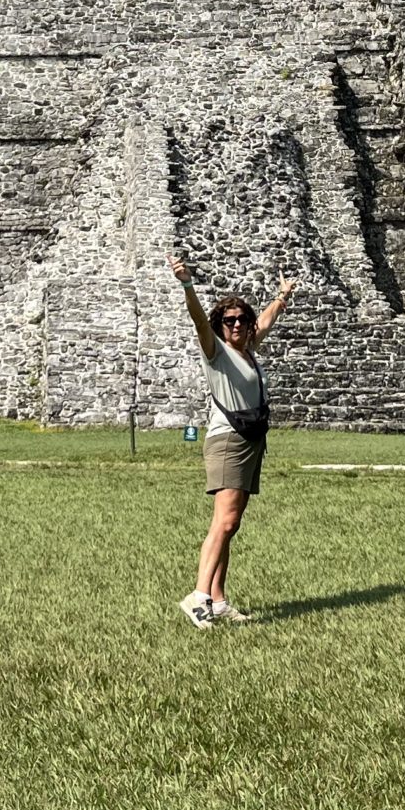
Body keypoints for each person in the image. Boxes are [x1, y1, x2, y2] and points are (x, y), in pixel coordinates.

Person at [170, 254, 296, 628]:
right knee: (224, 522)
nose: (237, 324)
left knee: (232, 523)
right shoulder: (216, 352)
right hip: (228, 440)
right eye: (229, 320)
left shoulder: (248, 351)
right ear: (219, 326)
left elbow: (265, 321)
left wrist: (282, 297)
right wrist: (187, 284)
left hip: (250, 441)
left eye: (242, 319)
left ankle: (219, 600)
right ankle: (198, 597)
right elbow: (198, 319)